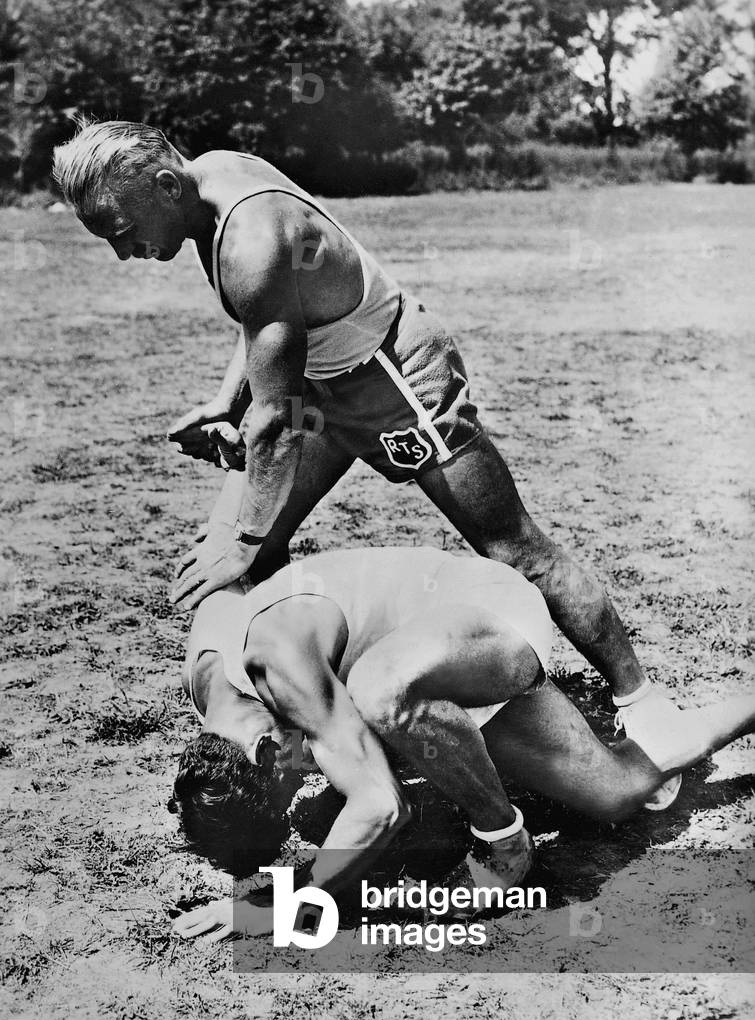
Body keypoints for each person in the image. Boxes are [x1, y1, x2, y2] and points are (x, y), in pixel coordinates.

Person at [53, 120, 690, 796]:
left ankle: (644, 705)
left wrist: (243, 539)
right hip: (325, 387)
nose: (123, 252)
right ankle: (321, 730)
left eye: (122, 231)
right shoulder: (201, 184)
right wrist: (223, 404)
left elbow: (275, 420)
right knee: (238, 559)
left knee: (514, 548)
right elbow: (268, 316)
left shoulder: (249, 236)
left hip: (396, 379)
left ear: (164, 185)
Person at [169, 535, 755, 941]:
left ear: (265, 751)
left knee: (376, 692)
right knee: (618, 791)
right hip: (426, 674)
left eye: (287, 784)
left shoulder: (276, 666)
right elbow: (226, 591)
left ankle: (504, 843)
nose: (304, 779)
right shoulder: (213, 696)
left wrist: (281, 908)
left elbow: (381, 806)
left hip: (480, 612)